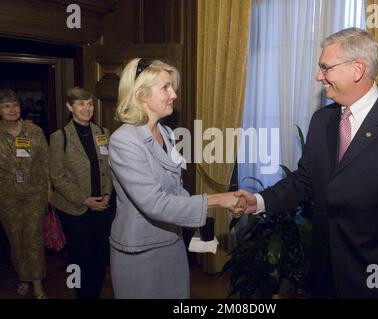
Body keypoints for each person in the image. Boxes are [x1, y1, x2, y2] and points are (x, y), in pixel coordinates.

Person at [235, 27, 378, 299]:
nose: (318, 76)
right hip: (324, 276)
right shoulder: (322, 120)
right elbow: (305, 179)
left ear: (357, 69)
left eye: (325, 67)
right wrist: (259, 201)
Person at [108, 58, 242, 299]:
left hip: (171, 243)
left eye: (172, 87)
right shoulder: (123, 141)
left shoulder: (167, 133)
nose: (174, 94)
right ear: (141, 95)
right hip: (140, 252)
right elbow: (154, 203)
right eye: (165, 88)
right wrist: (219, 200)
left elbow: (175, 188)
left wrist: (199, 224)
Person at [49, 87, 113, 299]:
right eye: (80, 104)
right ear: (70, 107)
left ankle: (93, 294)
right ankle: (82, 296)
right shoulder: (60, 137)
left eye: (89, 104)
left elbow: (110, 168)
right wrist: (84, 200)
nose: (87, 108)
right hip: (75, 210)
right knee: (80, 259)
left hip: (101, 208)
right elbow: (57, 177)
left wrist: (107, 195)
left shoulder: (103, 133)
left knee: (100, 257)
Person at [0, 89, 50, 299]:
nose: (12, 110)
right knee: (16, 239)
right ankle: (23, 277)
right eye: (6, 106)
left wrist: (48, 188)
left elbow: (45, 161)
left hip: (35, 194)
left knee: (34, 237)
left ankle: (37, 282)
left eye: (15, 105)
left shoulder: (34, 131)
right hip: (6, 196)